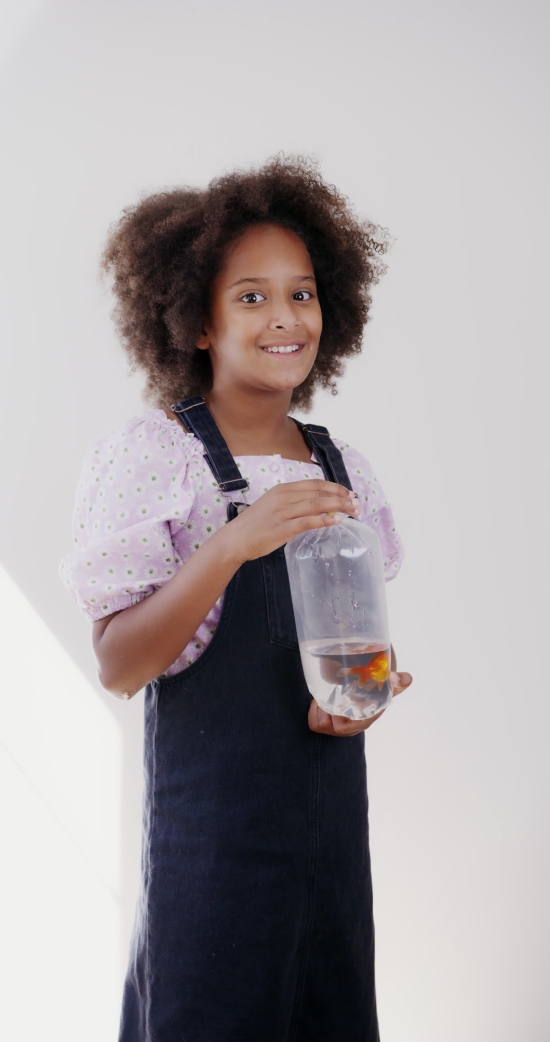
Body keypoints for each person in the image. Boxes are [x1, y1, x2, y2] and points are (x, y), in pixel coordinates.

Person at [60, 155, 412, 1042]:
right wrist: (231, 543)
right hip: (212, 856)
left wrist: (362, 694)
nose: (285, 317)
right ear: (197, 322)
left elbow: (352, 632)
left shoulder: (342, 468)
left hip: (331, 847)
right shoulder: (157, 456)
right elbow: (119, 666)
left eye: (302, 294)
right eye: (251, 296)